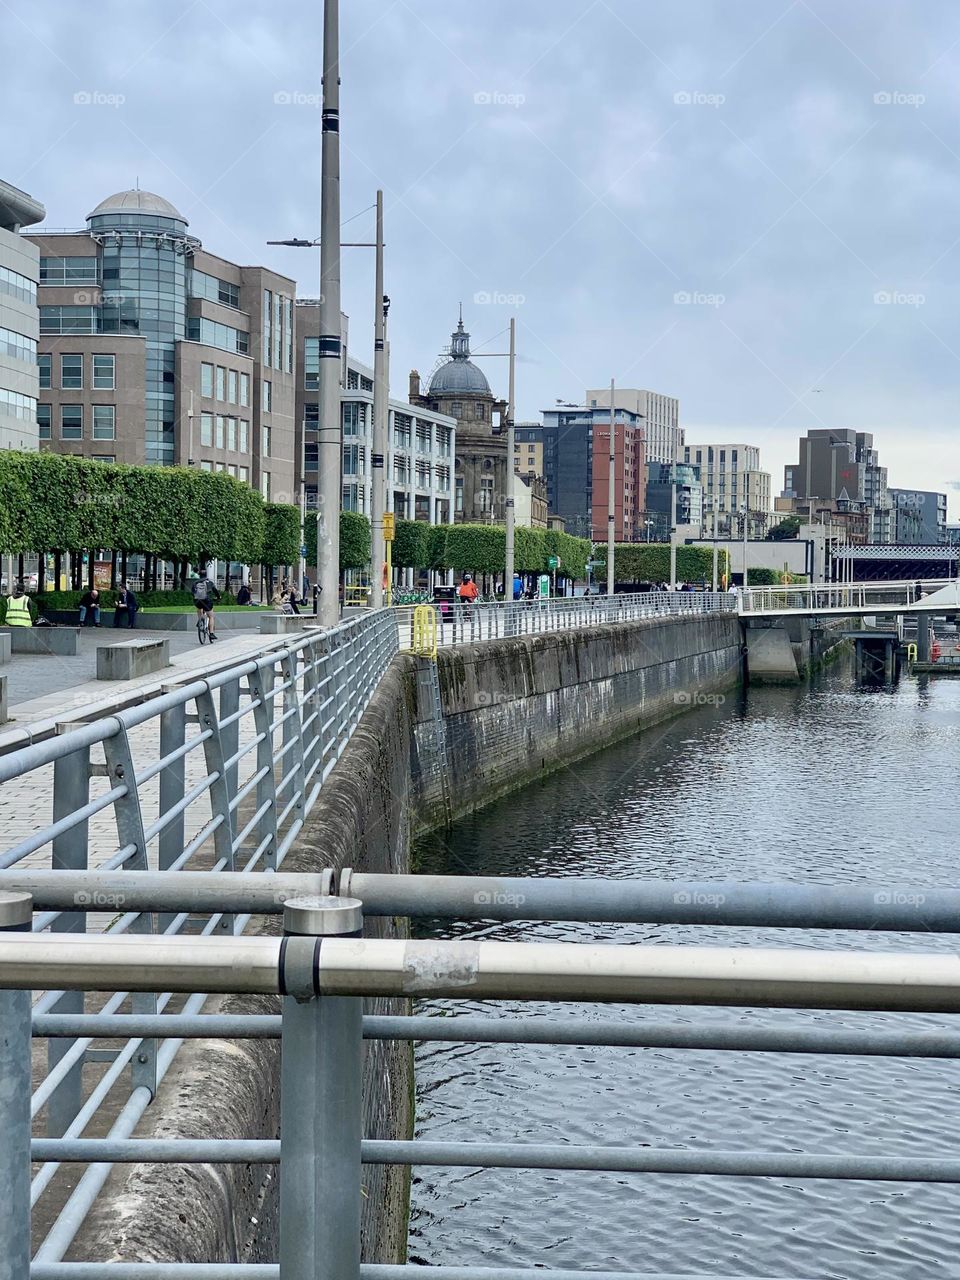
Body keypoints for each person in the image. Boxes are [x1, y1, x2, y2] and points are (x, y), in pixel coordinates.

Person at [191, 574, 221, 641]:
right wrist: (219, 597)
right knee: (211, 616)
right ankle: (211, 633)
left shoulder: (195, 583)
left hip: (197, 600)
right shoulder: (210, 583)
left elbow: (192, 592)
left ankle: (200, 620)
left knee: (199, 607)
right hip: (206, 600)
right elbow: (215, 591)